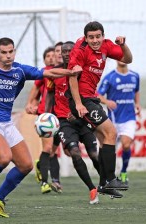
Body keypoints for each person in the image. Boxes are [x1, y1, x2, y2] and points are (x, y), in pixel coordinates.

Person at [0, 37, 80, 218]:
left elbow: (49, 73)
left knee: (26, 165)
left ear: (14, 51)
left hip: (6, 123)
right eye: (4, 53)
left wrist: (71, 72)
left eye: (11, 51)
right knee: (5, 157)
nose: (8, 56)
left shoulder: (20, 71)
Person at [47, 41, 119, 204]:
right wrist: (47, 114)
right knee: (74, 152)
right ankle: (91, 189)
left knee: (94, 154)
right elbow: (50, 94)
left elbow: (91, 94)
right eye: (62, 51)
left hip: (82, 118)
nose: (65, 53)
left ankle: (105, 183)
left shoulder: (82, 71)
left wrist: (105, 102)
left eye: (69, 51)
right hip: (64, 121)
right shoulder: (55, 73)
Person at [67, 21, 132, 193]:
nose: (95, 40)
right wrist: (79, 104)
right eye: (91, 37)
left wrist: (123, 45)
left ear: (103, 36)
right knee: (111, 132)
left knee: (104, 139)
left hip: (91, 99)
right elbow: (73, 77)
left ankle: (104, 184)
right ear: (86, 38)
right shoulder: (79, 50)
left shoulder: (106, 45)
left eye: (98, 36)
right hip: (82, 100)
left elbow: (127, 59)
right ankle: (110, 179)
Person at [25, 43, 64, 194]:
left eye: (52, 55)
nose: (51, 58)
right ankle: (45, 183)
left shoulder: (64, 71)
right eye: (47, 56)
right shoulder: (44, 72)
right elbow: (35, 90)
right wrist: (30, 104)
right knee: (47, 148)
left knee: (55, 151)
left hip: (60, 115)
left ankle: (43, 167)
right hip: (45, 115)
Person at [97, 61, 141, 183]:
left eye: (124, 56)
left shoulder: (135, 76)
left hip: (129, 117)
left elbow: (136, 91)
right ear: (116, 59)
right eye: (119, 56)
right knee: (109, 149)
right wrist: (107, 102)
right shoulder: (110, 77)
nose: (122, 58)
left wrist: (137, 104)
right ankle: (108, 177)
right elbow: (98, 95)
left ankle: (123, 172)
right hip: (113, 119)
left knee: (126, 144)